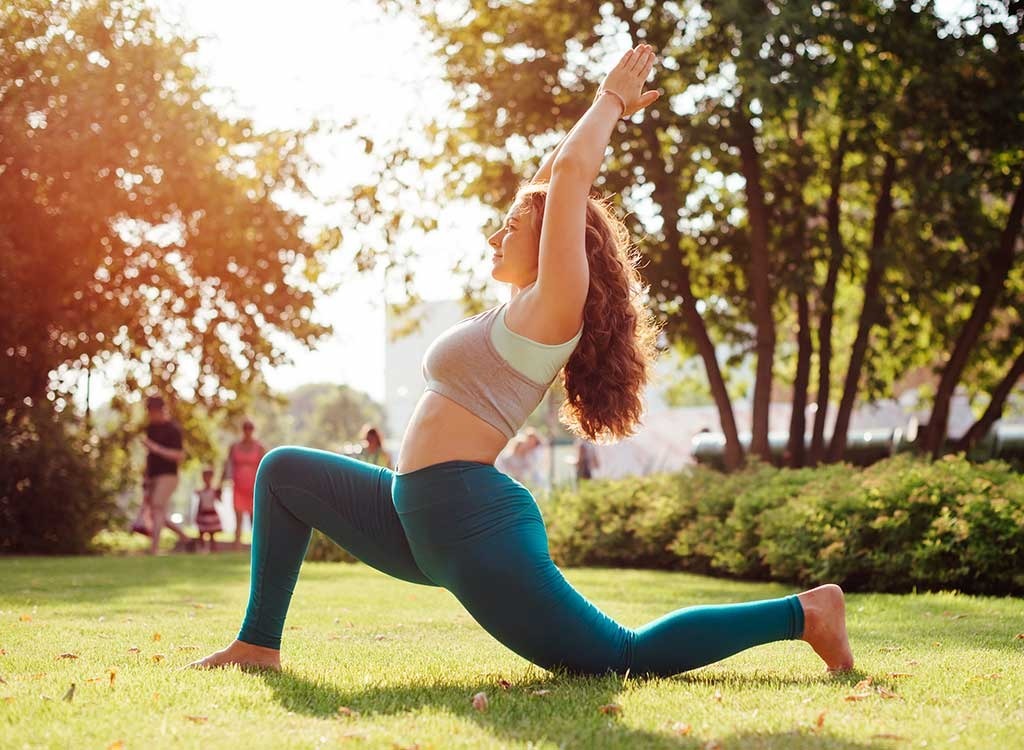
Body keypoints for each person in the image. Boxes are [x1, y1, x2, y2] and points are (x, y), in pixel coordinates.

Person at [192, 44, 852, 676]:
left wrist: (610, 103)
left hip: (467, 520)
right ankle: (258, 644)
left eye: (511, 228)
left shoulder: (554, 305)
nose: (496, 232)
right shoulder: (519, 304)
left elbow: (567, 178)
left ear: (550, 245)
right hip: (412, 512)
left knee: (620, 656)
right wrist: (563, 159)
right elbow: (544, 186)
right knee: (282, 472)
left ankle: (806, 614)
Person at [139, 395, 193, 555]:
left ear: (159, 410)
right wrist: (146, 479)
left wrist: (156, 448)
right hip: (153, 475)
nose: (149, 415)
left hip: (168, 475)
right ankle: (186, 538)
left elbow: (179, 455)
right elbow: (149, 457)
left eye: (151, 411)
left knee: (156, 507)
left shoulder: (173, 429)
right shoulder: (151, 428)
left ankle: (153, 549)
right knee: (158, 512)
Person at [220, 419, 266, 550]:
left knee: (255, 519)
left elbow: (264, 467)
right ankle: (237, 547)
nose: (247, 431)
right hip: (238, 486)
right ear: (243, 430)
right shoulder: (234, 447)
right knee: (238, 519)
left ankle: (256, 547)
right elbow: (227, 465)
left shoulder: (259, 447)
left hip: (254, 487)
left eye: (250, 428)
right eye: (245, 428)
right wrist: (220, 484)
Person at [194, 467, 223, 553]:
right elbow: (200, 504)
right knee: (201, 534)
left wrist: (219, 492)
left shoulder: (214, 491)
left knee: (212, 535)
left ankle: (213, 550)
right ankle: (201, 549)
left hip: (211, 514)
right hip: (203, 514)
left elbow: (220, 500)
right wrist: (197, 515)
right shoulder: (200, 492)